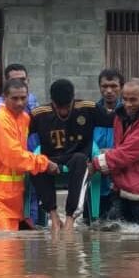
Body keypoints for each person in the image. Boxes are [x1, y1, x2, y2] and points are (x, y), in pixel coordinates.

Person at [0, 79, 60, 231]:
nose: (20, 103)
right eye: (15, 98)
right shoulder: (0, 121)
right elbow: (14, 157)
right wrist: (44, 163)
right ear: (4, 98)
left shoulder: (24, 118)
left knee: (14, 246)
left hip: (15, 193)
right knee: (1, 243)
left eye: (23, 98)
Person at [89, 78, 139, 231]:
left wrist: (97, 163)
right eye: (125, 99)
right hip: (121, 187)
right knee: (111, 232)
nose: (128, 104)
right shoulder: (120, 116)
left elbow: (127, 152)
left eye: (133, 100)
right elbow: (122, 148)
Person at [29, 79, 97, 233]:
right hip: (51, 157)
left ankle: (70, 219)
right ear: (52, 102)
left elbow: (115, 120)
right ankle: (53, 217)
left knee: (81, 160)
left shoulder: (88, 108)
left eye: (67, 107)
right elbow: (19, 135)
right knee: (36, 163)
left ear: (73, 99)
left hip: (76, 157)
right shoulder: (38, 114)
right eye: (59, 108)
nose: (63, 112)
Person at [87, 68, 125, 224]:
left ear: (121, 87)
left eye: (114, 86)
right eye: (104, 86)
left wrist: (112, 154)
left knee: (118, 225)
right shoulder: (90, 112)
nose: (109, 91)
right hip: (95, 174)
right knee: (91, 224)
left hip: (119, 175)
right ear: (99, 87)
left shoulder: (127, 114)